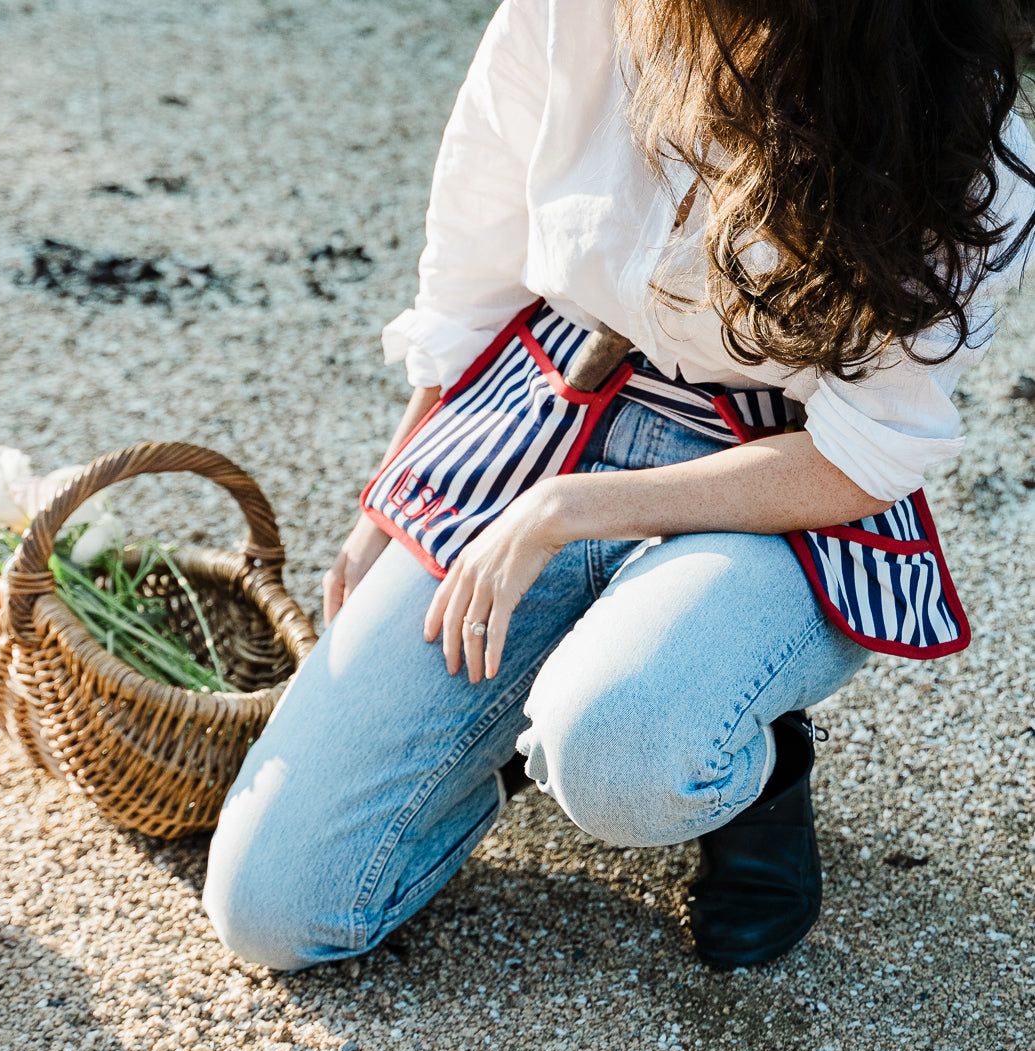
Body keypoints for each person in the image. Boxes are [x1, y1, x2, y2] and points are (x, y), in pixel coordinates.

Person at [202, 0, 1035, 971]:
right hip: (548, 403)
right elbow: (472, 265)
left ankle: (746, 772)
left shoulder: (953, 136)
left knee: (622, 752)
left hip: (769, 476)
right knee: (275, 908)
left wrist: (568, 509)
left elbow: (865, 451)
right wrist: (392, 495)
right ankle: (543, 696)